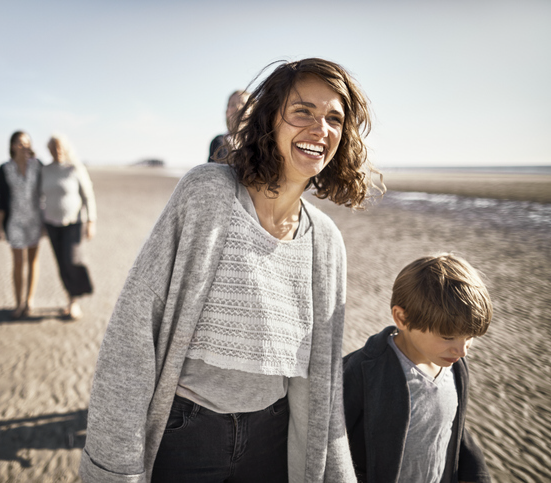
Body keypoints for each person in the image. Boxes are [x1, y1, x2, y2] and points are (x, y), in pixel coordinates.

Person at [80, 58, 382, 483]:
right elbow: (133, 332)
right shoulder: (208, 194)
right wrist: (114, 469)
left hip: (274, 438)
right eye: (303, 112)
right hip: (186, 432)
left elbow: (325, 380)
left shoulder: (326, 242)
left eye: (334, 118)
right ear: (269, 119)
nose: (321, 129)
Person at [342, 253, 493, 483]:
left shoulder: (454, 366)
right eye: (448, 336)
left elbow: (452, 426)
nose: (462, 351)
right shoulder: (363, 371)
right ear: (402, 318)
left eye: (470, 336)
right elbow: (329, 439)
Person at [41, 134, 96, 320]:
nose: (57, 151)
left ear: (65, 148)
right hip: (51, 223)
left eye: (60, 147)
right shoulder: (45, 170)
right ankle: (70, 300)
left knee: (72, 260)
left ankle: (76, 298)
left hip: (74, 222)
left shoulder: (75, 168)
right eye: (53, 148)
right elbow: (39, 196)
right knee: (61, 264)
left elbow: (88, 195)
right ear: (49, 150)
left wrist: (91, 221)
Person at [0, 131, 43, 319]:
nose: (24, 146)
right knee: (17, 262)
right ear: (12, 145)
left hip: (34, 221)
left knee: (33, 261)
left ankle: (29, 301)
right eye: (20, 143)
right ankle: (18, 303)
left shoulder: (37, 166)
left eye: (27, 143)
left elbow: (45, 191)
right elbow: (2, 200)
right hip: (14, 221)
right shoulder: (4, 168)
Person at [207, 89, 250, 163]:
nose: (238, 107)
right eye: (233, 104)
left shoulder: (259, 142)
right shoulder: (218, 141)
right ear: (227, 112)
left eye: (243, 104)